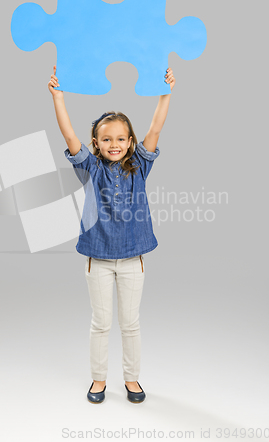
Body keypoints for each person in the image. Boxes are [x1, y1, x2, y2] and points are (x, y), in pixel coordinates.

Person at [48, 65, 175, 404]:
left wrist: (165, 94)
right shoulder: (90, 169)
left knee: (130, 323)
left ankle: (132, 380)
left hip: (133, 258)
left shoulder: (140, 167)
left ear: (130, 142)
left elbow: (156, 129)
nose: (114, 144)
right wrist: (58, 98)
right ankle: (98, 380)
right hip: (98, 261)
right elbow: (68, 136)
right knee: (101, 323)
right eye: (107, 139)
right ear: (96, 143)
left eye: (121, 139)